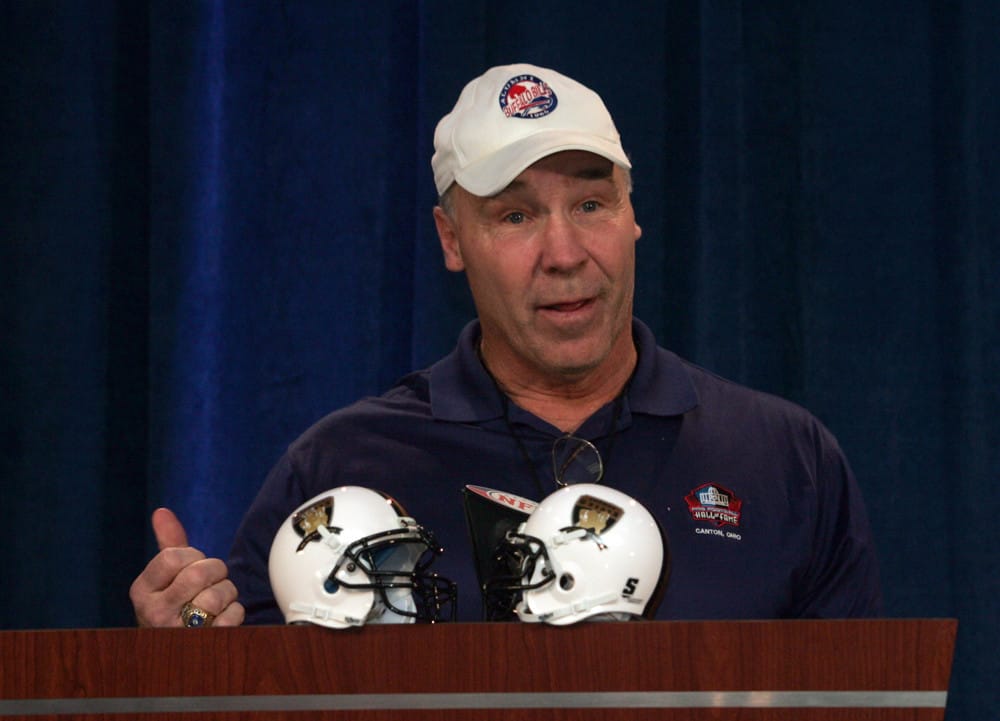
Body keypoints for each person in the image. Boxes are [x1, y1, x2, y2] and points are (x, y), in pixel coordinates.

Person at [130, 63, 882, 628]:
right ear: (451, 239)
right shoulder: (340, 467)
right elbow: (247, 692)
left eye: (591, 203)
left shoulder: (787, 460)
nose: (565, 252)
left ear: (633, 215)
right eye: (516, 216)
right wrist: (187, 645)